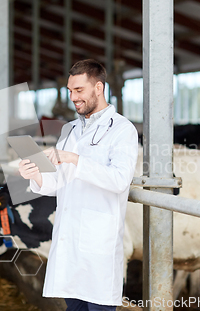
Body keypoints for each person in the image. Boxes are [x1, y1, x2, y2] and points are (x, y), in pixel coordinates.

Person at [18, 59, 138, 311]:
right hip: (69, 243)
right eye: (70, 91)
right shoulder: (69, 130)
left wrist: (74, 159)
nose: (73, 97)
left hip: (99, 244)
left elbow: (118, 180)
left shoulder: (122, 129)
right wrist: (35, 175)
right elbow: (58, 182)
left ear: (98, 88)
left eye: (79, 90)